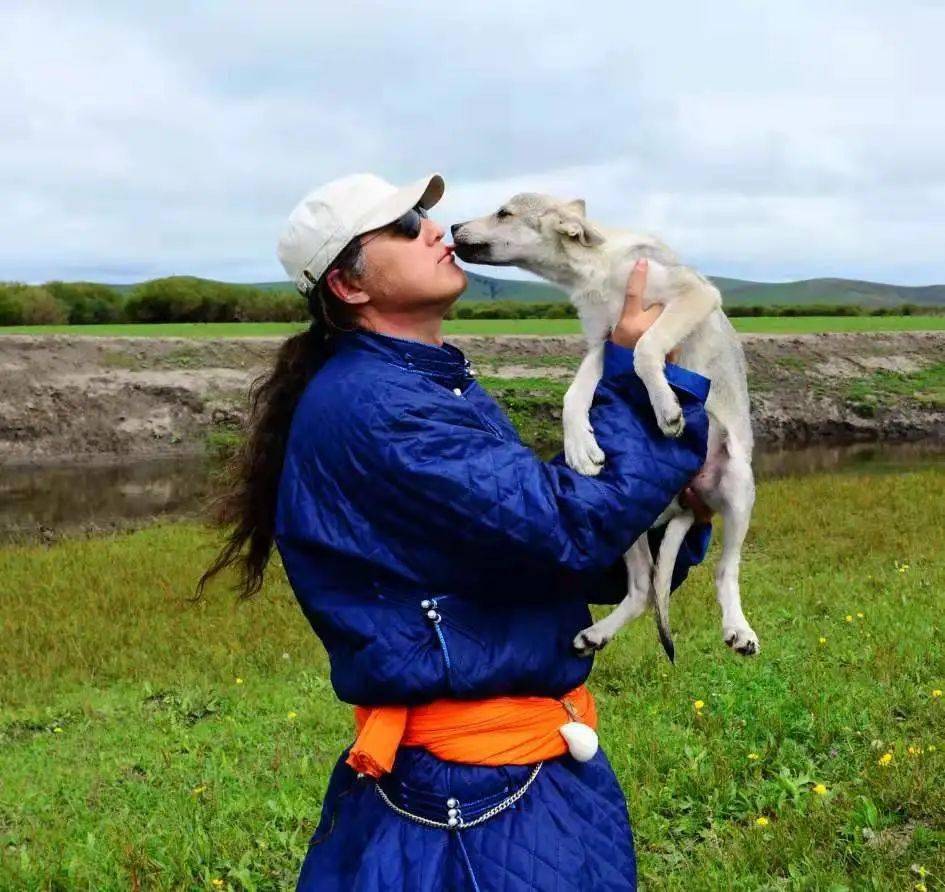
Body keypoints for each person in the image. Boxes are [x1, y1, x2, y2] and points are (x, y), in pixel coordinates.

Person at [197, 172, 714, 891]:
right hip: (471, 806)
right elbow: (569, 526)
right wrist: (637, 383)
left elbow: (562, 562)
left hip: (508, 782)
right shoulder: (383, 408)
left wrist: (687, 507)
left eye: (427, 215)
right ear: (349, 286)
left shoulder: (421, 386)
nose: (435, 228)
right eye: (404, 224)